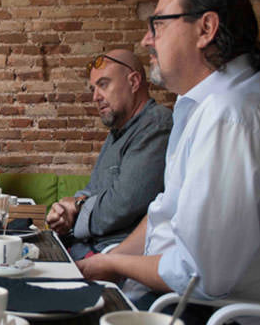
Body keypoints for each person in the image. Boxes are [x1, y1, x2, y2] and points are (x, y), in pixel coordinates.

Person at [76, 0, 260, 320]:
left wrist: (115, 262)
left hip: (212, 312)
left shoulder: (229, 118)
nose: (147, 40)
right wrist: (109, 259)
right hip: (178, 296)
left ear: (206, 29)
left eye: (157, 24)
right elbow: (166, 211)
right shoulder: (206, 106)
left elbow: (198, 276)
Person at [46, 49, 172, 260]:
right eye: (93, 89)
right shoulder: (118, 131)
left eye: (103, 84)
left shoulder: (156, 124)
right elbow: (93, 190)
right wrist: (65, 210)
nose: (95, 97)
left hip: (116, 257)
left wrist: (75, 208)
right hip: (90, 247)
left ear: (133, 82)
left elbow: (122, 205)